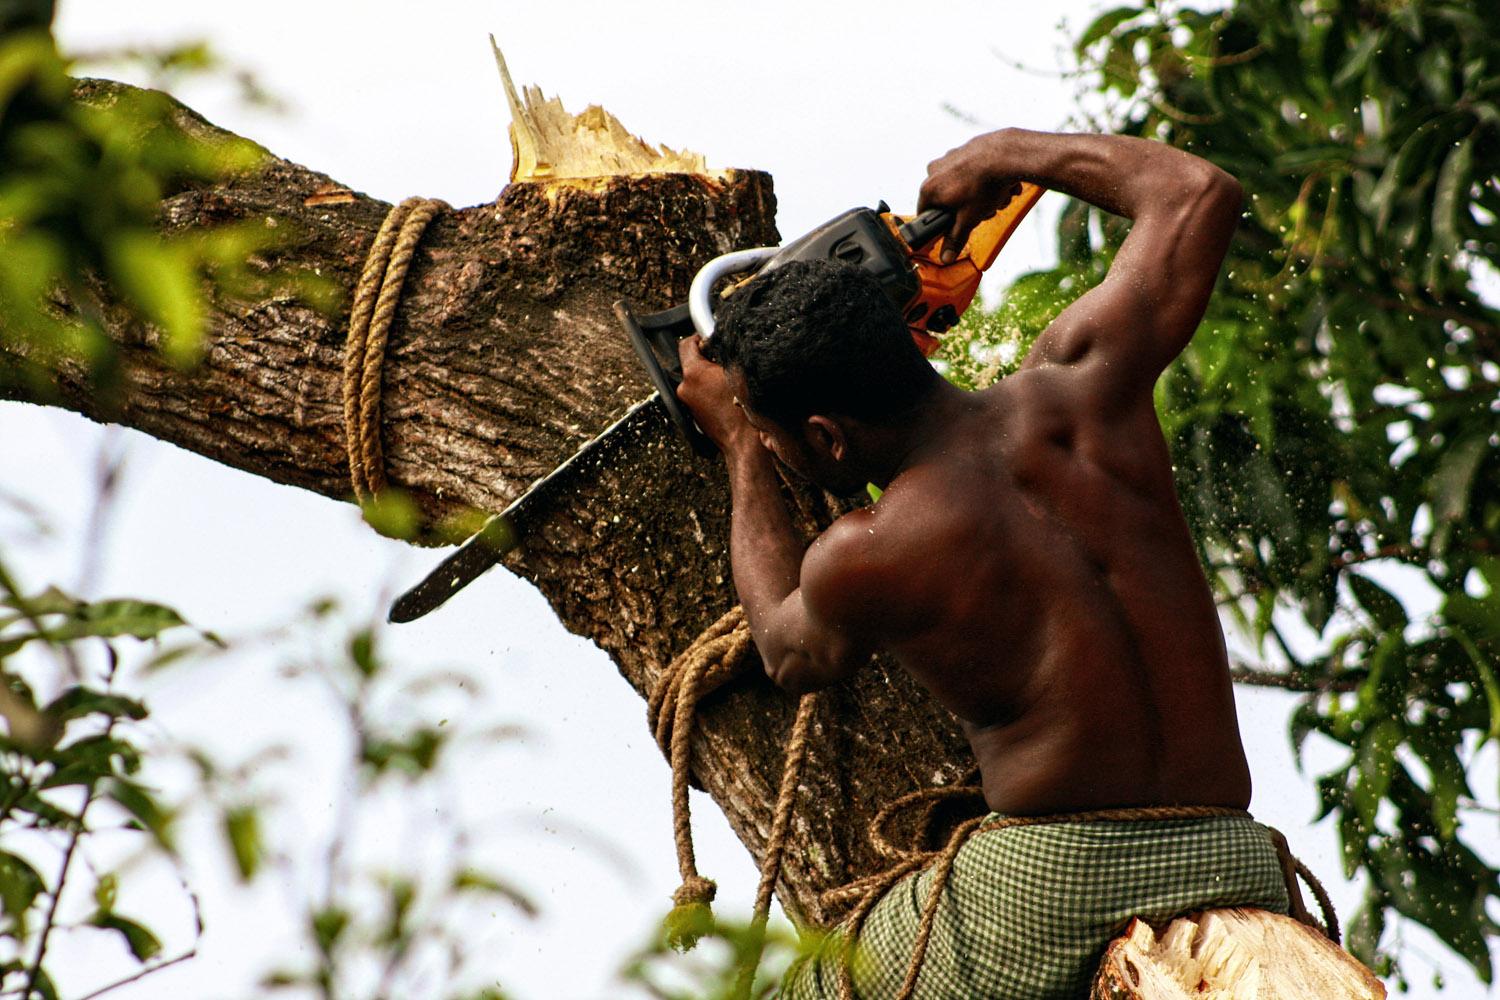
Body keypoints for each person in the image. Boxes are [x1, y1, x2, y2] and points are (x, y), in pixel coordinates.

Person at [674, 129, 1291, 999]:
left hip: (1059, 881)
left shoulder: (872, 548)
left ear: (824, 435)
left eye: (782, 443)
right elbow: (1199, 193)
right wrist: (1009, 154)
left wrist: (737, 444)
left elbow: (787, 650)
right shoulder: (1087, 384)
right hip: (1234, 850)